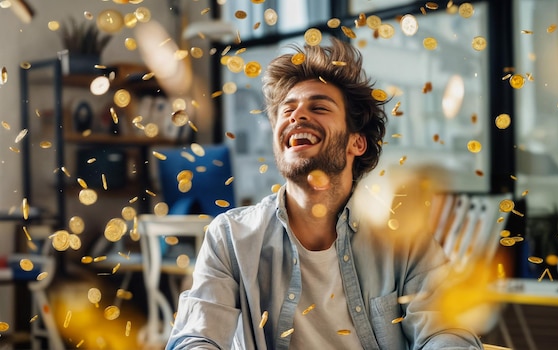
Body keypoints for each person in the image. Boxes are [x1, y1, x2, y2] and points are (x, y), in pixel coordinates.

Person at [166, 37, 483, 349]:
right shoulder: (231, 237)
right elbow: (196, 338)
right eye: (287, 110)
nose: (296, 116)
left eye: (318, 107)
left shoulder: (404, 239)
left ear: (356, 143)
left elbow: (448, 331)